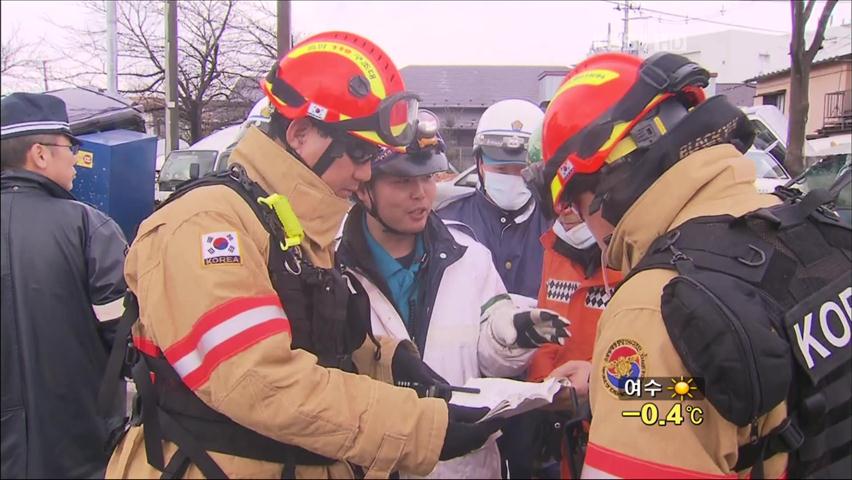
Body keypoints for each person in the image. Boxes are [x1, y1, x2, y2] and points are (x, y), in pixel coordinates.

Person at [105, 32, 503, 479]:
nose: (366, 171)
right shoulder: (208, 225)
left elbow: (319, 338)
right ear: (300, 134)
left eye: (372, 155)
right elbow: (259, 381)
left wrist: (392, 362)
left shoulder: (293, 228)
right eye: (357, 151)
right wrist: (418, 428)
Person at [529, 51, 850, 478]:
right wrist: (622, 389)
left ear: (609, 182)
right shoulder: (810, 231)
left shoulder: (655, 305)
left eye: (575, 202)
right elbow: (706, 400)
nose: (583, 222)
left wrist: (635, 390)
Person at [337, 111, 571, 478]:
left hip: (463, 466)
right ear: (364, 186)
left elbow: (493, 364)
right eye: (402, 181)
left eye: (428, 177)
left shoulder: (471, 257)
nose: (421, 194)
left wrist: (516, 336)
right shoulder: (331, 268)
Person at [1, 92, 129, 478]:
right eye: (70, 145)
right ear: (39, 154)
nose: (75, 156)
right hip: (82, 447)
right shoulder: (89, 228)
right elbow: (129, 340)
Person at [437, 99, 552, 302]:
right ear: (479, 164)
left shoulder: (556, 227)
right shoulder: (449, 223)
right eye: (501, 169)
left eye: (522, 170)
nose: (513, 177)